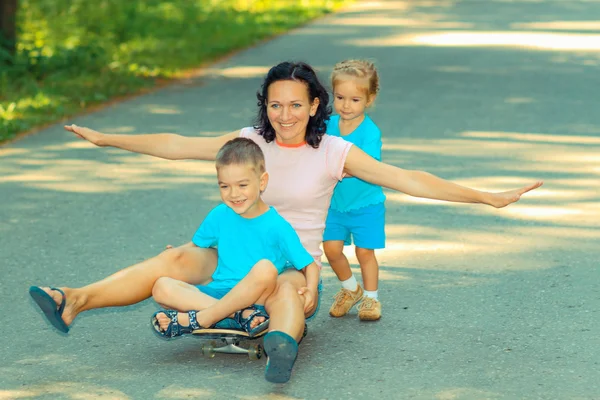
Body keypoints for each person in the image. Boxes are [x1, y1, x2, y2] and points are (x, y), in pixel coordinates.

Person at [30, 61, 542, 384]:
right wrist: (109, 140)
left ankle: (280, 346)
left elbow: (407, 177)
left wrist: (486, 198)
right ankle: (74, 298)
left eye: (296, 104)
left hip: (289, 256)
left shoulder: (335, 151)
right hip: (233, 244)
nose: (284, 114)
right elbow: (178, 145)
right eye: (275, 104)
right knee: (173, 259)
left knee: (282, 290)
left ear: (315, 105)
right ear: (265, 107)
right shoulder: (251, 141)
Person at [148, 137, 318, 339]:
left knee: (265, 270)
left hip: (258, 298)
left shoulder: (277, 226)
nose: (234, 194)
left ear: (262, 181)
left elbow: (309, 264)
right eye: (225, 186)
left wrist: (311, 291)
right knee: (161, 286)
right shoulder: (220, 214)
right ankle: (239, 316)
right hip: (220, 292)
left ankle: (205, 318)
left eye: (242, 185)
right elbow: (196, 246)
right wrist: (175, 253)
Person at [323, 59, 386, 321]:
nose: (346, 105)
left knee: (364, 252)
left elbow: (364, 166)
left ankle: (371, 299)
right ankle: (351, 289)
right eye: (340, 97)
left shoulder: (369, 132)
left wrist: (336, 167)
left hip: (366, 205)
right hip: (335, 205)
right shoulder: (327, 125)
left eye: (355, 100)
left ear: (369, 99)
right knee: (331, 249)